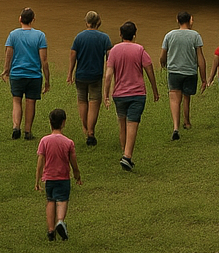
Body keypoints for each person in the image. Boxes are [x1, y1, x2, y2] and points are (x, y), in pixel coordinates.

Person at [103, 20, 159, 170]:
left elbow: (108, 75)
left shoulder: (114, 50)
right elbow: (149, 70)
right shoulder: (140, 50)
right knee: (132, 124)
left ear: (120, 35)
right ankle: (127, 156)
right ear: (135, 35)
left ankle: (124, 153)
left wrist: (106, 94)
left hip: (119, 94)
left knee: (122, 123)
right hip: (137, 94)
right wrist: (155, 90)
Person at [35, 107, 82, 241]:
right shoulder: (68, 142)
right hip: (63, 178)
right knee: (61, 200)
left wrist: (37, 180)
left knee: (50, 201)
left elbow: (40, 162)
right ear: (64, 122)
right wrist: (77, 175)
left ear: (50, 122)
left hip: (49, 178)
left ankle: (50, 230)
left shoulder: (44, 141)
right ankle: (60, 221)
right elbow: (74, 163)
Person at [3, 8, 49, 140]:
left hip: (17, 74)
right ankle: (28, 131)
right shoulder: (40, 36)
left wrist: (6, 70)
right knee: (31, 102)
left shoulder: (13, 35)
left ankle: (16, 127)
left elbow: (8, 55)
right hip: (34, 75)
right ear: (33, 20)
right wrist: (47, 79)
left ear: (20, 19)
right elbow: (44, 60)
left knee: (16, 101)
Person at [67, 11, 113, 146]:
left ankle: (85, 128)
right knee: (94, 102)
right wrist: (108, 71)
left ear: (86, 22)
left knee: (82, 101)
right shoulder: (104, 38)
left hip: (81, 75)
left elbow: (72, 55)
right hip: (95, 76)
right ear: (98, 22)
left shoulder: (79, 37)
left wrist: (70, 73)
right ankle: (91, 132)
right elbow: (110, 56)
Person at [160, 11, 206, 140]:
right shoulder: (195, 35)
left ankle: (176, 127)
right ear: (190, 20)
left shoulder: (169, 35)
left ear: (177, 20)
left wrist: (163, 63)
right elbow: (200, 58)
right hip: (190, 72)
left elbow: (163, 54)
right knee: (186, 97)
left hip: (174, 71)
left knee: (175, 99)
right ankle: (187, 121)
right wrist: (203, 78)